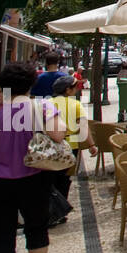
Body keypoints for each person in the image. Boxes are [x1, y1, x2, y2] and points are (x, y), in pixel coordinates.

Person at [0, 64, 67, 253]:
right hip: (34, 178)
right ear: (31, 84)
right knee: (36, 228)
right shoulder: (41, 107)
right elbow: (59, 134)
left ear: (3, 87)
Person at [45, 76, 86, 224]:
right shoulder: (76, 105)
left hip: (49, 146)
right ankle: (59, 211)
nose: (76, 89)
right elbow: (82, 128)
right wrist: (91, 145)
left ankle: (51, 211)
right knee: (64, 180)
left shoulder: (46, 104)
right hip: (70, 146)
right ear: (68, 90)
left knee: (51, 180)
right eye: (75, 87)